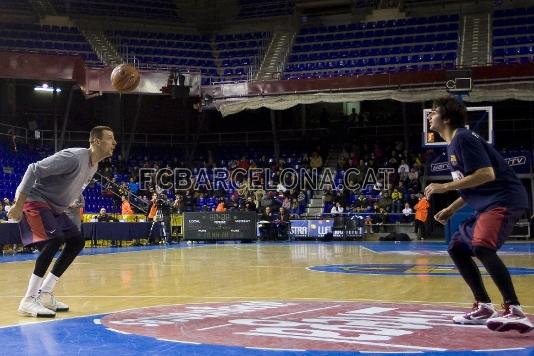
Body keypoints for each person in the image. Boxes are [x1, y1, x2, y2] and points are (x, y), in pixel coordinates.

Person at [425, 97, 532, 333]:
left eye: (434, 112)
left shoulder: (463, 137)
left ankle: (515, 310)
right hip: (488, 203)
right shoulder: (454, 143)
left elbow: (486, 174)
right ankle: (484, 305)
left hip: (503, 199)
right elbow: (470, 184)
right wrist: (452, 208)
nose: (430, 115)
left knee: (482, 247)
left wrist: (443, 188)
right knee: (457, 247)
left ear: (447, 118)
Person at [8, 126, 116, 318]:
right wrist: (18, 204)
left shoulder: (95, 166)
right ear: (96, 141)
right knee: (54, 239)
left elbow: (72, 186)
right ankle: (28, 299)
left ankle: (45, 293)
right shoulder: (74, 157)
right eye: (110, 138)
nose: (114, 143)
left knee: (76, 241)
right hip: (35, 199)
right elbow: (33, 169)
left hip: (55, 207)